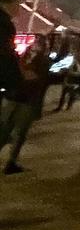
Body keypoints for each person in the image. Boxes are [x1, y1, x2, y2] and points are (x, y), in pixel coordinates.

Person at [1, 34, 52, 174]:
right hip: (14, 97)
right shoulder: (24, 55)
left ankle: (11, 162)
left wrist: (17, 67)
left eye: (37, 42)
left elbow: (33, 77)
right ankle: (11, 163)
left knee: (19, 132)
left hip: (27, 100)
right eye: (34, 41)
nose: (34, 44)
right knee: (5, 130)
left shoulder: (43, 60)